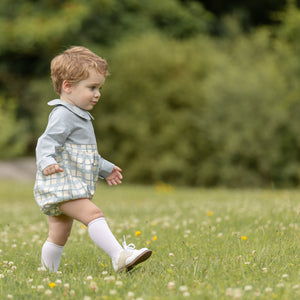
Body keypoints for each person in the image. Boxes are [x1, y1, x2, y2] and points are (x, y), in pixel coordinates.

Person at [33, 46, 152, 273]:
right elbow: (46, 141)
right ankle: (119, 256)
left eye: (99, 88)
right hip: (62, 184)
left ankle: (48, 273)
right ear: (67, 86)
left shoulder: (78, 115)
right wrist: (46, 161)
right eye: (92, 87)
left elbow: (84, 154)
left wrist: (106, 168)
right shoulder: (63, 113)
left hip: (66, 185)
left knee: (58, 235)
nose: (97, 94)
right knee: (93, 214)